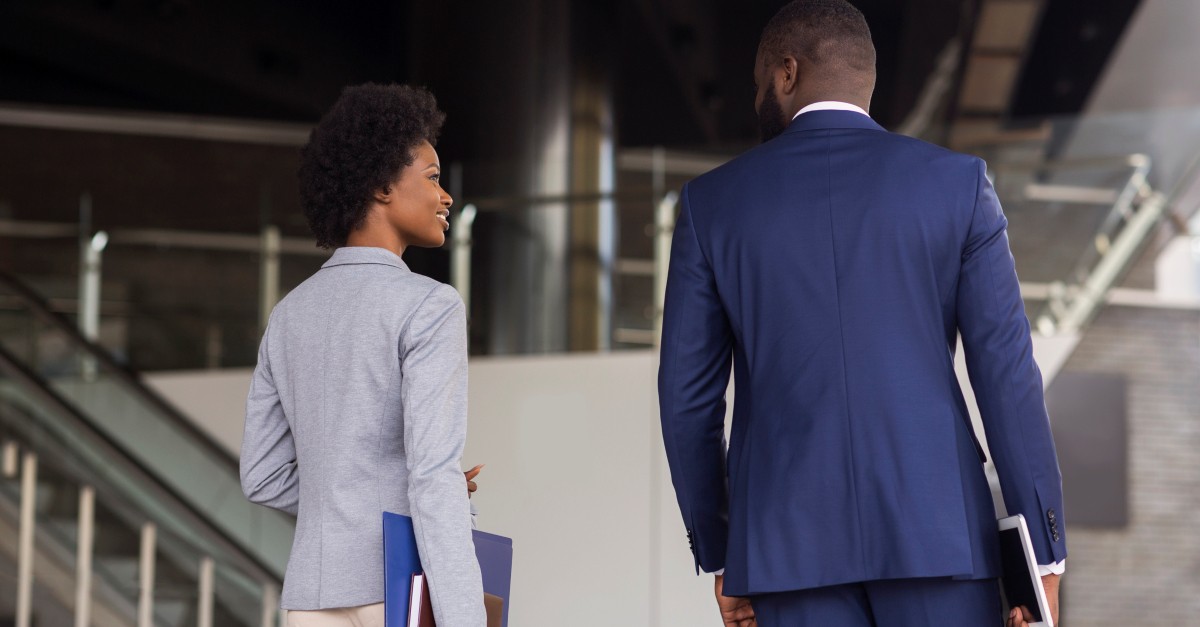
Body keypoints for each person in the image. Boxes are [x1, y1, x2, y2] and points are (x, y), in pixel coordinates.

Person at [657, 2, 1065, 626]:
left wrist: (724, 555)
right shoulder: (958, 186)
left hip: (785, 553)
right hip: (942, 538)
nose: (758, 98)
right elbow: (1008, 378)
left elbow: (687, 399)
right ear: (865, 81)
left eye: (759, 82)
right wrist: (1043, 559)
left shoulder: (712, 204)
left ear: (786, 73)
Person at [240, 83, 486, 627]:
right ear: (380, 186)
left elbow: (260, 475)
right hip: (397, 585)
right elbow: (430, 477)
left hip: (309, 595)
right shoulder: (429, 305)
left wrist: (347, 493)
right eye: (432, 178)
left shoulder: (288, 314)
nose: (446, 197)